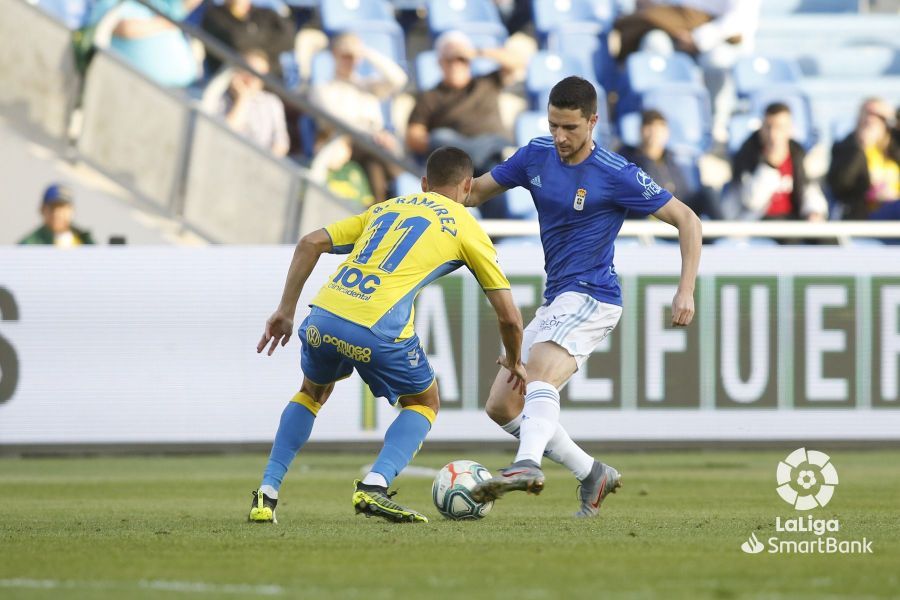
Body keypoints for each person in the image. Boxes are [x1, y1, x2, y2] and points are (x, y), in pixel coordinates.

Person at [462, 76, 702, 516]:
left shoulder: (615, 173)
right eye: (553, 124)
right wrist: (431, 200)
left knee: (538, 374)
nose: (560, 137)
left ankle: (526, 464)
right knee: (501, 405)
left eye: (570, 127)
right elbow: (474, 193)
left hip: (594, 296)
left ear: (593, 121)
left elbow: (688, 220)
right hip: (558, 298)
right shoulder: (536, 154)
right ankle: (592, 473)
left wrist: (685, 289)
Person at [250, 147, 526, 524]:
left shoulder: (386, 207)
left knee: (311, 393)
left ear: (425, 184)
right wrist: (514, 359)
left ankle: (267, 492)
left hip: (324, 314)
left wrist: (285, 310)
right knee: (424, 403)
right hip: (378, 327)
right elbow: (509, 318)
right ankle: (375, 486)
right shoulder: (466, 225)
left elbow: (309, 243)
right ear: (467, 186)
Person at [406, 30, 524, 218]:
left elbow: (517, 63)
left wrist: (477, 52)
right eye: (449, 59)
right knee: (441, 138)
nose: (455, 64)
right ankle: (471, 155)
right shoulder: (430, 96)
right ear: (440, 62)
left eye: (461, 59)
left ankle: (497, 233)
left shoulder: (487, 82)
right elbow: (414, 135)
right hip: (456, 161)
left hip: (491, 153)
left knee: (496, 166)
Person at [310, 32, 408, 204]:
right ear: (335, 55)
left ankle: (381, 205)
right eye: (345, 55)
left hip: (373, 147)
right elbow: (336, 120)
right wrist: (373, 133)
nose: (350, 61)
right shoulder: (323, 88)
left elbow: (399, 79)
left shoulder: (368, 85)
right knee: (378, 151)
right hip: (342, 142)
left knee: (374, 164)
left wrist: (366, 52)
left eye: (354, 56)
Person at [730, 102, 828, 222]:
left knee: (827, 237)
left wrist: (814, 210)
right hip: (759, 222)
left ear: (790, 129)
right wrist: (770, 165)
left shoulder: (797, 152)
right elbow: (752, 201)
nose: (773, 134)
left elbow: (808, 187)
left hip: (793, 218)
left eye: (780, 127)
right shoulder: (748, 153)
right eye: (769, 127)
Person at [619, 109, 722, 219]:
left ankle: (726, 234)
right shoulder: (628, 161)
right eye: (650, 126)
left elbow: (683, 194)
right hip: (650, 217)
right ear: (641, 130)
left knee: (707, 192)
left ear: (667, 132)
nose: (655, 133)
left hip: (676, 217)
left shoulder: (671, 160)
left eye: (660, 127)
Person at [87, 0, 200, 88]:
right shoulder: (113, 3)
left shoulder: (165, 6)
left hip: (185, 90)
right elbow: (121, 28)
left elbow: (183, 7)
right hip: (126, 88)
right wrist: (165, 23)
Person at [827, 98, 900, 220]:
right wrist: (861, 147)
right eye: (867, 114)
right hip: (866, 213)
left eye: (879, 116)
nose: (871, 120)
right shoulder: (847, 147)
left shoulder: (894, 148)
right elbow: (840, 185)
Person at [217, 50, 289, 157]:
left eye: (260, 74)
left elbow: (281, 143)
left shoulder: (272, 102)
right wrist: (243, 98)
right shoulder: (221, 97)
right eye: (249, 71)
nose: (253, 78)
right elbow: (224, 134)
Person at [201, 0, 295, 79]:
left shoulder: (265, 13)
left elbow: (289, 40)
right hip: (233, 83)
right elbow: (237, 42)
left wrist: (254, 38)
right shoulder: (214, 15)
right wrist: (264, 35)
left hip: (271, 82)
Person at [19, 184, 95, 246]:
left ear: (72, 210)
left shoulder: (85, 240)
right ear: (42, 209)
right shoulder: (30, 245)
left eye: (62, 207)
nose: (57, 213)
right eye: (52, 207)